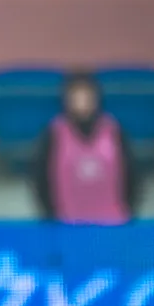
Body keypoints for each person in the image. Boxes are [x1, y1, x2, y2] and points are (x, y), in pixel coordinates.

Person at [30, 71, 136, 224]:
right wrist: (50, 218)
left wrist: (128, 212)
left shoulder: (113, 129)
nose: (82, 102)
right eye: (76, 96)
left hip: (112, 222)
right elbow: (40, 179)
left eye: (87, 95)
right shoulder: (54, 132)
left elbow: (131, 175)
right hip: (66, 222)